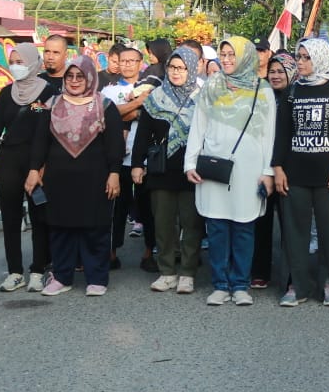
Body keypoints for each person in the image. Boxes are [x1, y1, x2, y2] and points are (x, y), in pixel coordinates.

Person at [185, 37, 277, 306]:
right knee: (216, 227)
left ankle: (240, 285)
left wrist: (267, 171)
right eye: (223, 54)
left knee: (243, 228)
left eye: (231, 55)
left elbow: (268, 134)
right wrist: (190, 162)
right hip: (213, 166)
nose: (226, 59)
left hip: (249, 170)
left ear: (245, 57)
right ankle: (220, 284)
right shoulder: (212, 86)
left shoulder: (263, 90)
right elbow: (198, 126)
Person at [25, 55, 122, 297]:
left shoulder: (105, 105)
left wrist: (115, 173)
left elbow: (114, 145)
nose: (75, 80)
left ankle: (97, 279)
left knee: (95, 229)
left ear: (90, 77)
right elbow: (40, 140)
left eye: (80, 76)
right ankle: (62, 277)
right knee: (60, 228)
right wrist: (34, 170)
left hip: (96, 178)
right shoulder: (51, 103)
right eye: (70, 76)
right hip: (59, 179)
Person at [273, 39, 329, 308]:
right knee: (296, 233)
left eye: (306, 57)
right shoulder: (292, 92)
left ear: (320, 58)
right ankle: (297, 285)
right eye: (299, 57)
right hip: (295, 174)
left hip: (328, 176)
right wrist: (278, 168)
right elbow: (282, 134)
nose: (301, 62)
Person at [0, 42, 59, 293]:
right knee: (10, 217)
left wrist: (37, 166)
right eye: (12, 62)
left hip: (38, 161)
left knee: (39, 216)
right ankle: (15, 271)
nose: (15, 66)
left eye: (20, 61)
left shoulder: (48, 92)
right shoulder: (6, 93)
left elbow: (42, 128)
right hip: (9, 160)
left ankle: (38, 269)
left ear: (33, 62)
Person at [133, 45, 202, 294]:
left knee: (191, 223)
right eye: (172, 67)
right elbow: (143, 133)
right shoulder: (155, 97)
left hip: (191, 170)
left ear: (192, 69)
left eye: (182, 68)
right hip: (161, 169)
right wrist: (137, 164)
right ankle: (167, 271)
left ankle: (187, 272)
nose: (176, 72)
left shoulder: (202, 96)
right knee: (163, 223)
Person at [101, 45, 152, 270]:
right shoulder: (108, 91)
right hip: (117, 159)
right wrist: (138, 105)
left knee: (148, 208)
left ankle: (150, 252)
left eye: (132, 61)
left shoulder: (151, 88)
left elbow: (149, 115)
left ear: (141, 63)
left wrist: (125, 111)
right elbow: (107, 115)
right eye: (123, 61)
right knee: (115, 209)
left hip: (144, 159)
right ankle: (111, 252)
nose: (127, 65)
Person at [251, 50, 297, 290]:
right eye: (272, 71)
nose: (276, 76)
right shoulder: (261, 95)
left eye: (281, 71)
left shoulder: (297, 96)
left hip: (290, 169)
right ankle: (259, 271)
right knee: (262, 220)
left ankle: (290, 277)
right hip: (262, 167)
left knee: (290, 226)